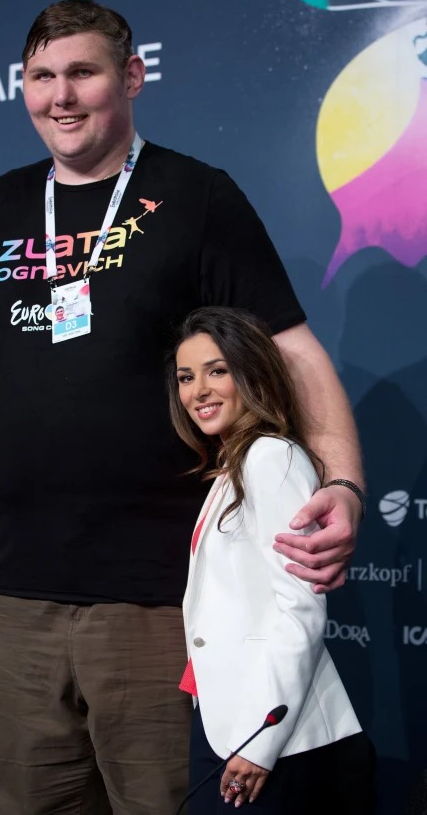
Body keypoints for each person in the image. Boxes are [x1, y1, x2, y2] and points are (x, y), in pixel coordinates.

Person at [0, 0, 365, 815]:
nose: (60, 96)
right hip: (16, 597)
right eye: (41, 76)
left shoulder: (196, 197)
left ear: (131, 76)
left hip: (160, 604)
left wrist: (341, 483)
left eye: (82, 73)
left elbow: (294, 352)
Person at [167, 306, 375, 814]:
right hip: (232, 722)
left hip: (271, 739)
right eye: (186, 377)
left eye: (217, 371)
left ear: (251, 373)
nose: (199, 391)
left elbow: (300, 610)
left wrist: (260, 742)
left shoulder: (270, 458)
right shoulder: (235, 465)